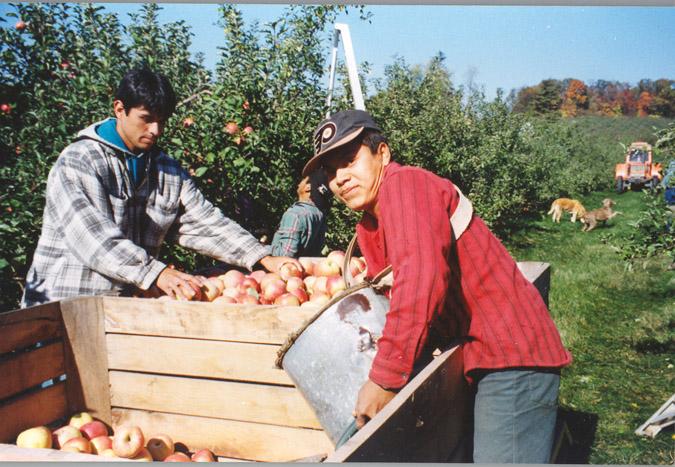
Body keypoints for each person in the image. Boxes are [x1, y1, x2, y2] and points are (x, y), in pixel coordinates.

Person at [302, 109, 572, 463]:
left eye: (349, 161)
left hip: (510, 355)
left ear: (382, 153)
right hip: (476, 354)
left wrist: (385, 379)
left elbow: (420, 282)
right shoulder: (370, 224)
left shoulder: (405, 186)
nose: (340, 178)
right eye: (332, 171)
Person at [21, 68, 298, 307]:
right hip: (64, 305)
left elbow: (204, 222)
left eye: (162, 121)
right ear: (119, 109)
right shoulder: (80, 161)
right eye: (146, 118)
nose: (155, 130)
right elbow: (92, 236)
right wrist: (156, 273)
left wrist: (260, 257)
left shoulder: (165, 170)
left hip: (122, 310)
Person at [270, 170, 332, 258]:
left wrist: (262, 249)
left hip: (286, 269)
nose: (298, 184)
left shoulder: (294, 214)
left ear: (308, 187)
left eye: (302, 180)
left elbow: (285, 255)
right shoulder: (320, 215)